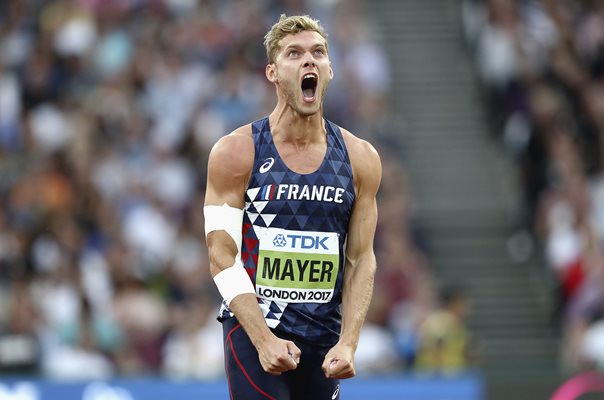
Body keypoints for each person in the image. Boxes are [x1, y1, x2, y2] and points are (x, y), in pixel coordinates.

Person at [203, 14, 381, 400]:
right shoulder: (236, 152)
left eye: (318, 53)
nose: (309, 61)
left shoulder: (360, 159)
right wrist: (264, 339)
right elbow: (221, 255)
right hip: (254, 331)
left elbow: (361, 259)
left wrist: (349, 341)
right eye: (294, 54)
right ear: (272, 72)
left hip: (323, 341)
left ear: (330, 70)